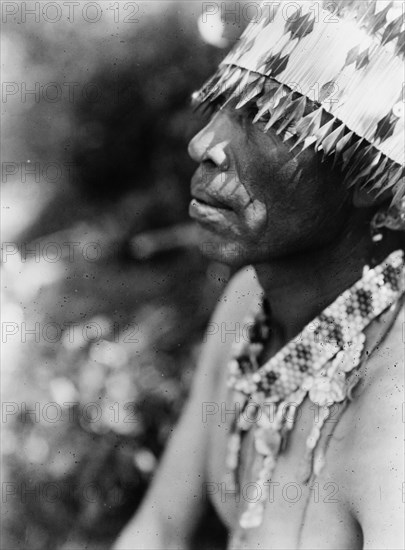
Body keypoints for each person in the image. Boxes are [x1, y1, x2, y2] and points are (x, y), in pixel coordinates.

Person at [114, 1, 404, 548]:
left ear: (368, 179)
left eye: (263, 121)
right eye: (226, 107)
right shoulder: (249, 302)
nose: (203, 145)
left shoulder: (395, 423)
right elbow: (159, 528)